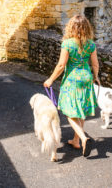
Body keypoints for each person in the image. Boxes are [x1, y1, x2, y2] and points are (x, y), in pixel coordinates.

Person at [44, 14, 101, 156]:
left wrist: (50, 79)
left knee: (70, 112)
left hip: (72, 80)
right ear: (87, 27)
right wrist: (96, 77)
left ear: (71, 27)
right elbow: (95, 64)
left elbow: (61, 65)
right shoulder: (91, 44)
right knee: (81, 110)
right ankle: (76, 141)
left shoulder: (68, 43)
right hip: (87, 78)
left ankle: (83, 138)